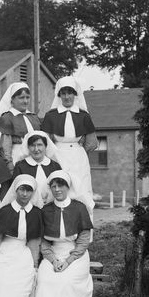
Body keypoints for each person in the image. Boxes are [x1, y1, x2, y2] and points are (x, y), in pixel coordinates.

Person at [32, 170, 93, 297]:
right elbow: (44, 242)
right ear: (50, 188)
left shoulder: (79, 207)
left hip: (76, 255)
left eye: (61, 185)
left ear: (68, 187)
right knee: (45, 280)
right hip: (53, 254)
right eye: (54, 186)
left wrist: (68, 261)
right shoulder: (46, 210)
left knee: (68, 283)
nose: (57, 189)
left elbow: (83, 240)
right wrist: (53, 260)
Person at [41, 76, 97, 212]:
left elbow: (92, 142)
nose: (67, 97)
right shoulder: (51, 115)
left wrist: (79, 150)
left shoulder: (83, 115)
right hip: (58, 155)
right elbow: (45, 141)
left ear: (75, 94)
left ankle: (83, 224)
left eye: (70, 93)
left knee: (81, 190)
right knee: (60, 186)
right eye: (63, 93)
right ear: (59, 95)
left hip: (78, 157)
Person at [0, 82, 41, 172]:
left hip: (35, 155)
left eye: (27, 97)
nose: (25, 101)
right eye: (21, 98)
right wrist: (10, 165)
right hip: (17, 157)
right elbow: (5, 147)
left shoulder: (33, 117)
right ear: (12, 100)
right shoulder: (6, 118)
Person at [11, 130, 62, 206]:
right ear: (28, 147)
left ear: (46, 146)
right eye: (32, 145)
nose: (36, 149)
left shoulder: (55, 166)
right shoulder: (20, 166)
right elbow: (16, 191)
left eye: (39, 145)